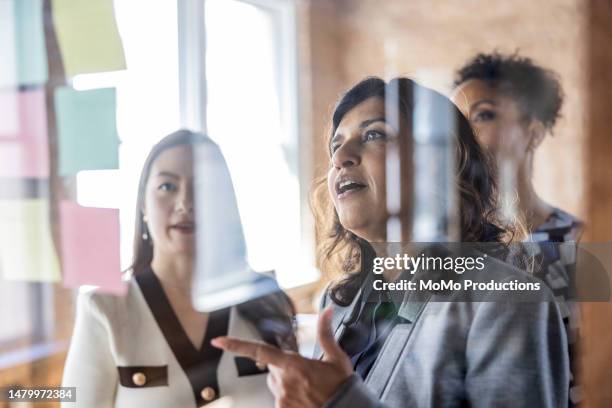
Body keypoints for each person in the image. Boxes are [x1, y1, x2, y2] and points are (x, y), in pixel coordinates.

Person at [212, 77, 569, 407]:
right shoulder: (337, 303)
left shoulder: (507, 302)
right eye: (336, 146)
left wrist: (340, 400)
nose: (339, 158)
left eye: (374, 135)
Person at [62, 130, 296, 407]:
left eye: (204, 187)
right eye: (167, 186)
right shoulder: (105, 309)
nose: (185, 203)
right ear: (143, 206)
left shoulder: (266, 298)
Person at [452, 52, 583, 405]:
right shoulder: (447, 249)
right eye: (456, 120)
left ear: (533, 133)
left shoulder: (580, 244)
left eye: (483, 115)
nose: (464, 133)